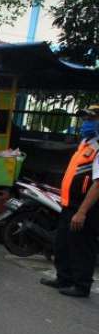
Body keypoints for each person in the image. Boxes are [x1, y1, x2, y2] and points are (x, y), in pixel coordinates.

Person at [40, 104, 99, 298]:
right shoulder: (86, 143)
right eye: (85, 119)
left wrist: (82, 212)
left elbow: (98, 183)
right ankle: (63, 278)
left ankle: (81, 286)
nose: (86, 123)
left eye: (91, 119)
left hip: (85, 208)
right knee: (62, 243)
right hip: (69, 204)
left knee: (81, 247)